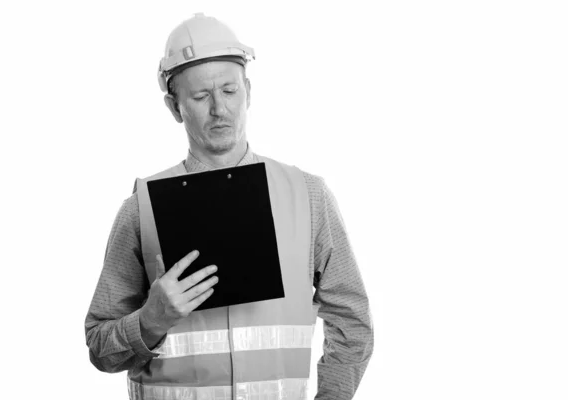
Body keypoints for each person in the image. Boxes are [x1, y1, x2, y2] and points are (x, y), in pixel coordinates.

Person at [85, 13, 373, 400]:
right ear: (174, 107)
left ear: (249, 92)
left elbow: (352, 323)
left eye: (230, 91)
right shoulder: (141, 209)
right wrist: (149, 321)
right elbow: (100, 348)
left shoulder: (308, 196)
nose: (219, 109)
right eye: (202, 96)